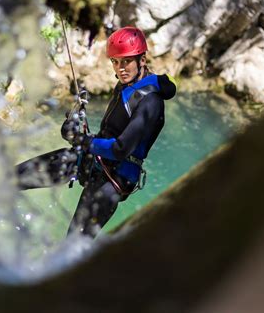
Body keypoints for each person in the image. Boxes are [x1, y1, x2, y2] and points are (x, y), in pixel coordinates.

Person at [16, 26, 176, 238]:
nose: (120, 68)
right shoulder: (125, 85)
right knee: (16, 177)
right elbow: (108, 133)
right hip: (93, 160)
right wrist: (76, 127)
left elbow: (121, 148)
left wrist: (82, 141)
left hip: (113, 181)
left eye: (126, 61)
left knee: (73, 244)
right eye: (115, 62)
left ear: (142, 60)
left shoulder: (151, 102)